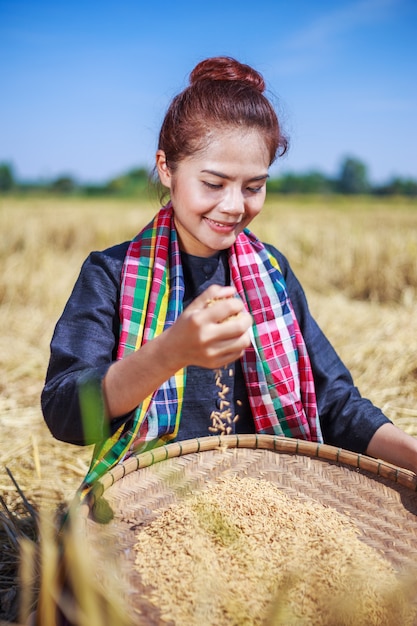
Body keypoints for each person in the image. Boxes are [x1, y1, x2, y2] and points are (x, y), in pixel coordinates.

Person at [41, 56, 417, 494]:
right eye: (214, 184)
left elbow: (335, 404)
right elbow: (65, 412)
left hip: (268, 497)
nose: (236, 206)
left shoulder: (272, 271)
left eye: (254, 187)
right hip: (153, 499)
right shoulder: (112, 273)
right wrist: (169, 353)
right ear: (167, 168)